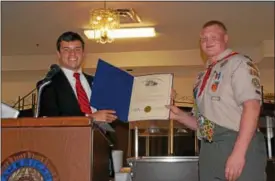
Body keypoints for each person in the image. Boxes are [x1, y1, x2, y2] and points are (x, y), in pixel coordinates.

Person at [168, 20, 267, 181]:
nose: (208, 42)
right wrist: (179, 115)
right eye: (203, 38)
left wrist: (238, 153)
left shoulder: (239, 63)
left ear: (225, 38)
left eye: (214, 37)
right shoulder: (201, 77)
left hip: (237, 142)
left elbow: (252, 108)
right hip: (209, 148)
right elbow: (203, 124)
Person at [37, 31, 117, 122]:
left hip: (100, 135)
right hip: (69, 136)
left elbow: (110, 113)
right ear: (59, 54)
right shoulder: (48, 85)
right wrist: (90, 118)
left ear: (83, 53)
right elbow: (50, 120)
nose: (72, 54)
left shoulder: (97, 82)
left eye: (77, 49)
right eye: (66, 50)